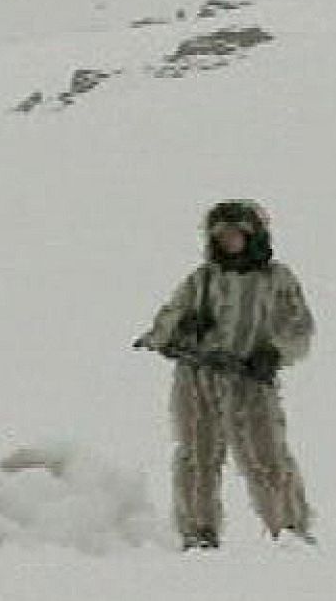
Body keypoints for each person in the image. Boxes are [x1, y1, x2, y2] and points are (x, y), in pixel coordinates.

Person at [135, 199, 316, 549]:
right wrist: (166, 336)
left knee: (267, 456)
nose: (229, 242)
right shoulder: (203, 279)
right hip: (198, 376)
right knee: (196, 456)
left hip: (248, 380)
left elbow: (299, 327)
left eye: (236, 235)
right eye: (222, 236)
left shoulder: (276, 279)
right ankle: (197, 530)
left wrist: (274, 352)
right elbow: (171, 314)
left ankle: (288, 526)